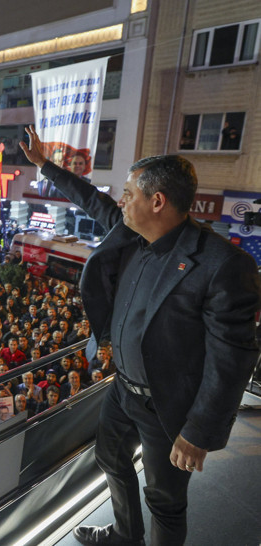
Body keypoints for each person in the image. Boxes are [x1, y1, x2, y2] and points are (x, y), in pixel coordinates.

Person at [20, 125, 261, 546]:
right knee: (109, 458)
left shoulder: (221, 265)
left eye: (129, 193)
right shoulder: (133, 233)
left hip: (170, 407)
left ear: (158, 201)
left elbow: (234, 358)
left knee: (164, 500)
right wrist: (44, 166)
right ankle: (124, 536)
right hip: (122, 390)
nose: (122, 201)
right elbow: (92, 200)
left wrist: (199, 431)